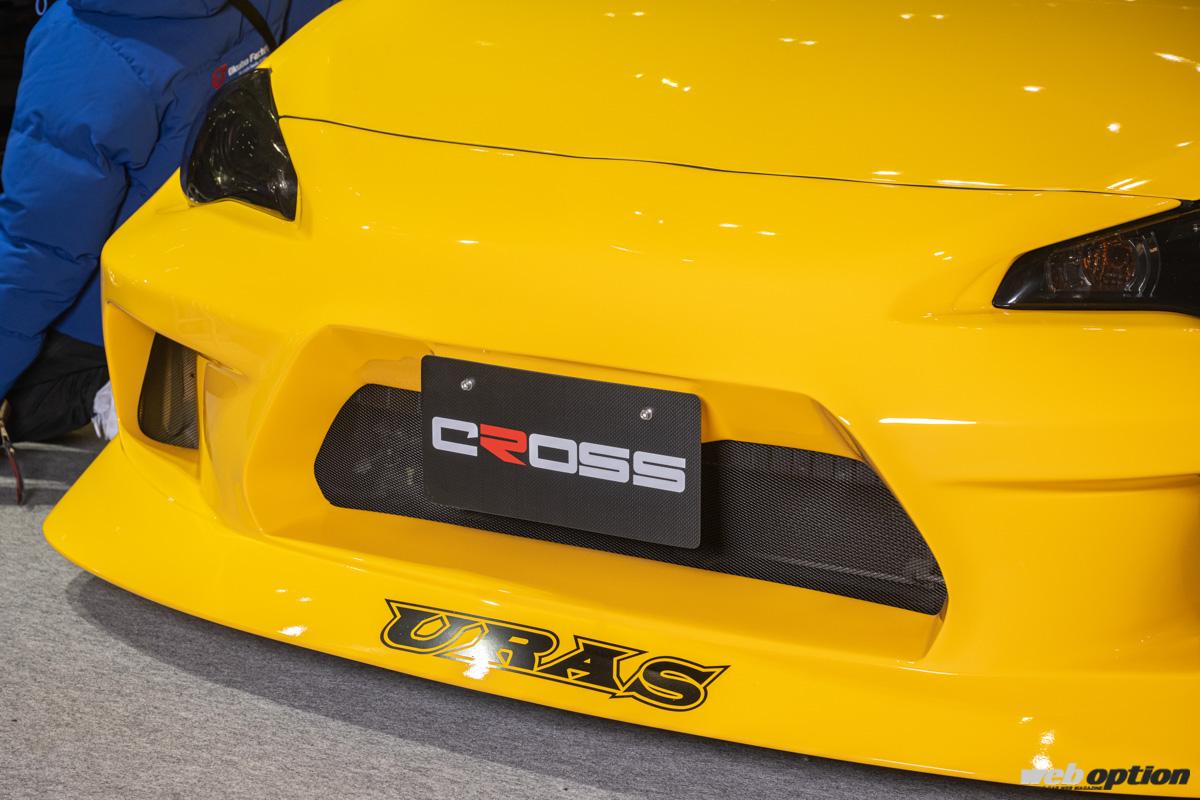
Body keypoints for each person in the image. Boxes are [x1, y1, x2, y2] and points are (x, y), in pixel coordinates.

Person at [0, 0, 336, 501]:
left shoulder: (86, 42)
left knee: (27, 387)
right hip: (239, 269)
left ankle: (133, 392)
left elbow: (39, 249)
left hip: (126, 309)